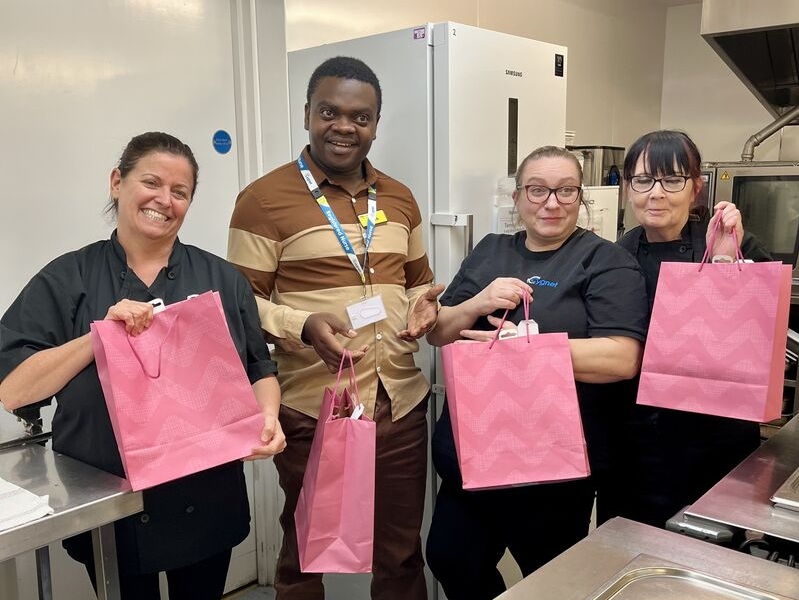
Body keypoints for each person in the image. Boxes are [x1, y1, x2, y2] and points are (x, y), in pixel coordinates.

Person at [0, 132, 286, 600]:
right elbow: (14, 390)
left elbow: (258, 367)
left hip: (207, 494)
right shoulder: (68, 277)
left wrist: (267, 417)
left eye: (180, 192)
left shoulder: (221, 279)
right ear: (117, 182)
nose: (164, 200)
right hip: (111, 503)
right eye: (151, 182)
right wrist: (99, 337)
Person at [227, 56, 443, 599]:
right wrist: (300, 325)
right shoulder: (263, 199)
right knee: (306, 552)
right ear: (307, 115)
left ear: (375, 123)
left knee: (400, 551)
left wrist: (424, 306)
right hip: (314, 403)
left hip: (400, 400)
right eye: (330, 112)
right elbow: (239, 305)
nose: (345, 126)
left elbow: (419, 281)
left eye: (361, 116)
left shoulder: (399, 198)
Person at [424, 145, 649, 600]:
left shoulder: (605, 261)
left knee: (550, 579)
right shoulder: (490, 250)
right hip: (475, 451)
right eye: (538, 189)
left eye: (566, 190)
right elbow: (439, 333)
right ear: (517, 198)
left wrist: (527, 352)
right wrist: (478, 302)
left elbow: (621, 358)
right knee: (451, 558)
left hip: (550, 465)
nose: (551, 202)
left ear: (580, 197)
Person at [617, 129, 772, 528]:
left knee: (712, 546)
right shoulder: (615, 255)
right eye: (643, 180)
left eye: (672, 180)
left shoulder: (735, 242)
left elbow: (758, 330)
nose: (656, 193)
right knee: (634, 543)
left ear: (696, 187)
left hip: (718, 434)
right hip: (637, 438)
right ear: (628, 187)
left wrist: (723, 261)